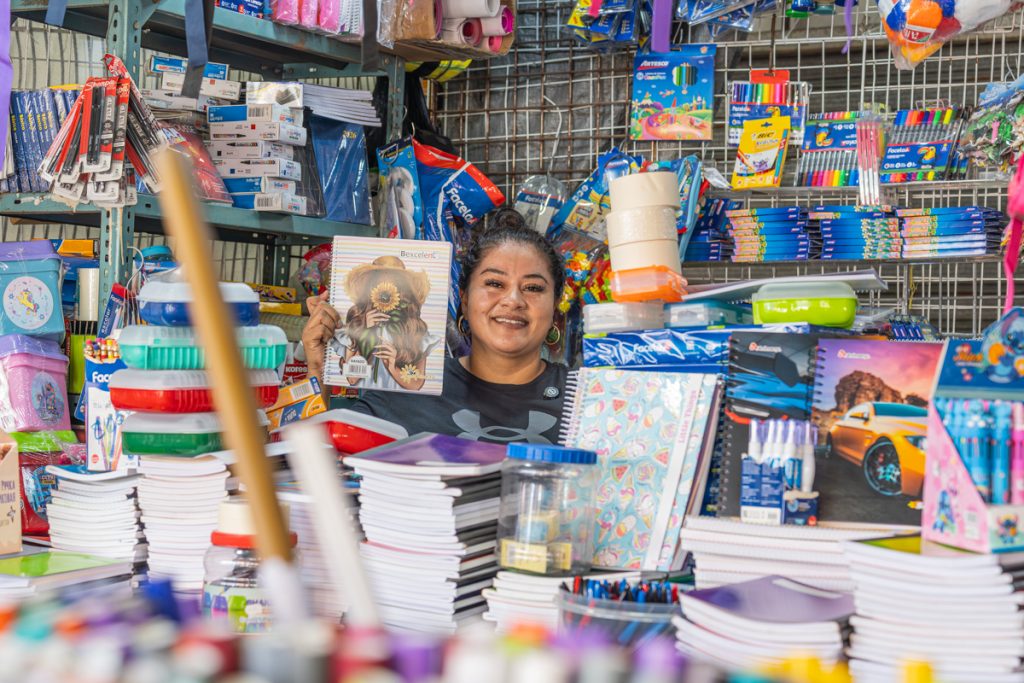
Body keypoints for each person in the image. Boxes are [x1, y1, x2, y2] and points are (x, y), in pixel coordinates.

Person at [302, 212, 568, 444]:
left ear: (555, 305)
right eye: (494, 284)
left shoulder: (586, 397)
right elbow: (315, 466)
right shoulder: (409, 388)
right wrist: (316, 368)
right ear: (464, 298)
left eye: (533, 288)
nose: (513, 300)